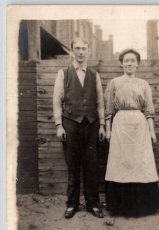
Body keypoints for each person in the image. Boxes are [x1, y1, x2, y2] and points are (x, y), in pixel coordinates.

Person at [105, 48, 159, 217]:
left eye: (132, 61)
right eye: (126, 61)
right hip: (120, 125)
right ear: (121, 64)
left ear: (137, 64)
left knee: (140, 162)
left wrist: (152, 131)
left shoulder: (144, 84)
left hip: (140, 126)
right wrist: (107, 130)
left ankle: (143, 206)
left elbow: (149, 110)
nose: (129, 64)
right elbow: (108, 110)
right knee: (121, 162)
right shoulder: (114, 83)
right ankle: (120, 206)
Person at [53, 37, 106, 218]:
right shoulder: (63, 74)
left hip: (91, 125)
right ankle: (72, 204)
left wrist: (102, 125)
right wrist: (59, 125)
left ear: (88, 51)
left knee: (92, 166)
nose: (81, 52)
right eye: (77, 48)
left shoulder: (94, 75)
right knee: (72, 166)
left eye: (84, 48)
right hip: (70, 125)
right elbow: (57, 101)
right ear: (72, 51)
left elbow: (100, 102)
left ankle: (93, 204)